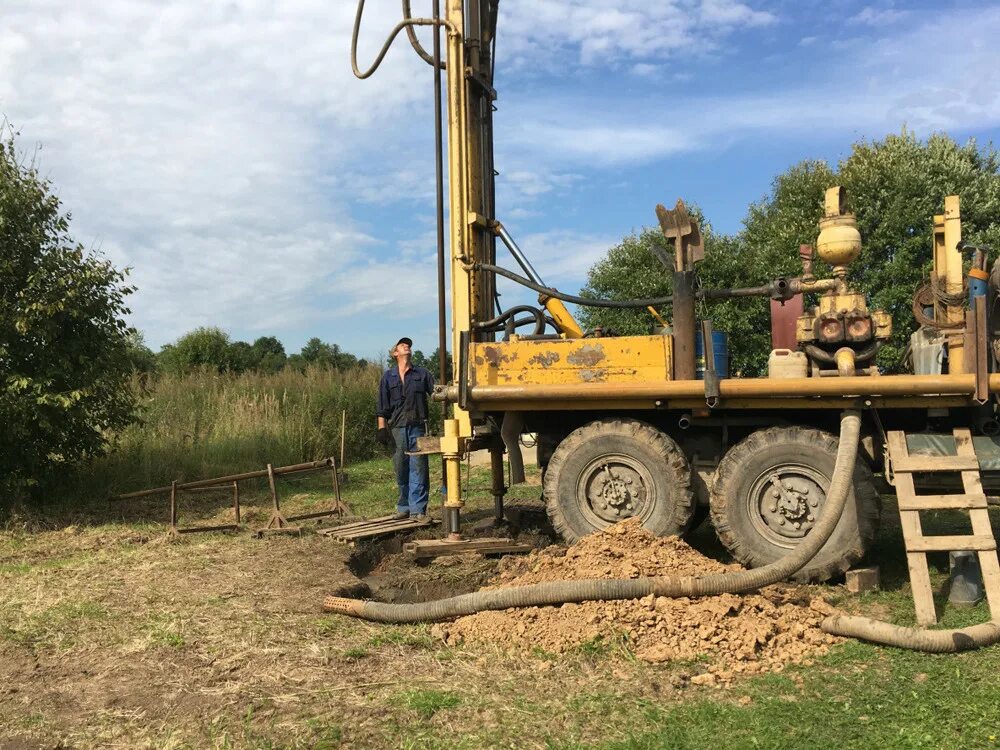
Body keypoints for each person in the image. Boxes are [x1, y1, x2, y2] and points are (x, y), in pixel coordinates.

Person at [376, 337, 434, 519]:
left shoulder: (422, 374)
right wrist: (381, 429)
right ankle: (404, 507)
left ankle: (418, 509)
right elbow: (382, 406)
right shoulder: (388, 377)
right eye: (402, 345)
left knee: (418, 468)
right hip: (397, 428)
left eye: (408, 344)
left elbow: (437, 395)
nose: (406, 346)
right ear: (395, 353)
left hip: (418, 427)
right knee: (401, 468)